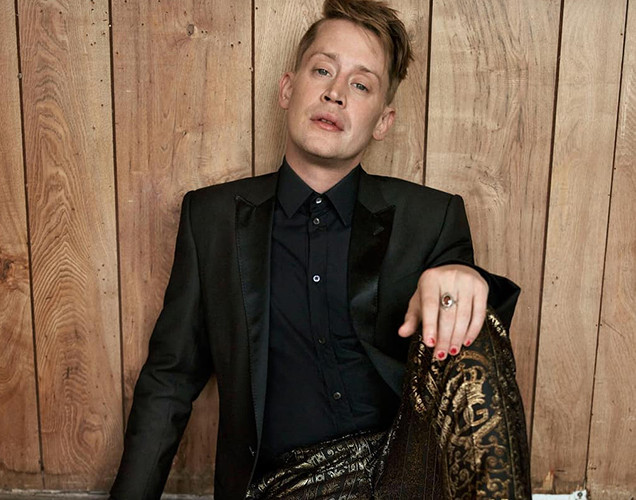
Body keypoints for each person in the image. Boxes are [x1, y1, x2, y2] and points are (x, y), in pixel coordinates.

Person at [110, 0, 528, 498]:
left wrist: (462, 277)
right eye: (323, 71)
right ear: (288, 89)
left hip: (405, 475)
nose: (335, 93)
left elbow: (474, 374)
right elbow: (170, 381)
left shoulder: (431, 217)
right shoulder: (212, 219)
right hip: (283, 485)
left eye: (361, 85)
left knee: (471, 322)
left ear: (383, 121)